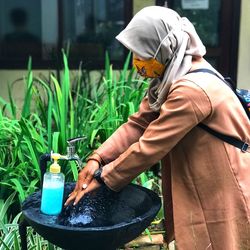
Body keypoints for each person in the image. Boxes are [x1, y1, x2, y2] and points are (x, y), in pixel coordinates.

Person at [65, 6, 250, 250]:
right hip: (204, 177)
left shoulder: (191, 90)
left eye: (142, 54)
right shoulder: (170, 77)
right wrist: (97, 159)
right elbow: (139, 124)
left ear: (163, 49)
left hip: (223, 183)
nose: (136, 62)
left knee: (218, 241)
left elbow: (150, 146)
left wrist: (105, 179)